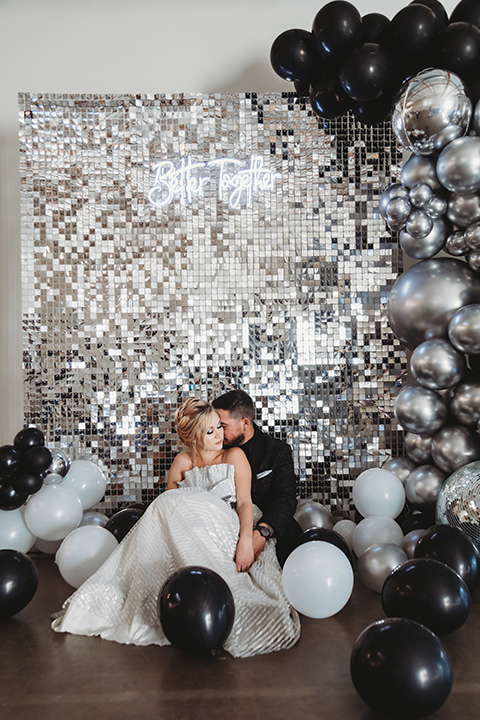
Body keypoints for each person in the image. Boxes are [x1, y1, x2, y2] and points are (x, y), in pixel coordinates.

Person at [52, 398, 300, 657]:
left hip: (225, 528)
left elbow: (245, 501)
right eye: (211, 430)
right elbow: (171, 511)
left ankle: (216, 597)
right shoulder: (183, 462)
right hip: (190, 531)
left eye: (220, 427)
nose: (219, 435)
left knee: (177, 503)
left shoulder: (233, 455)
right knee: (167, 503)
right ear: (194, 437)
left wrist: (247, 539)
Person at [212, 390, 302, 566]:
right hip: (224, 532)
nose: (218, 433)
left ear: (245, 423)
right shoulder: (214, 449)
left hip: (269, 529)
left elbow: (286, 499)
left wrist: (262, 532)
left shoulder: (277, 451)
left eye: (222, 425)